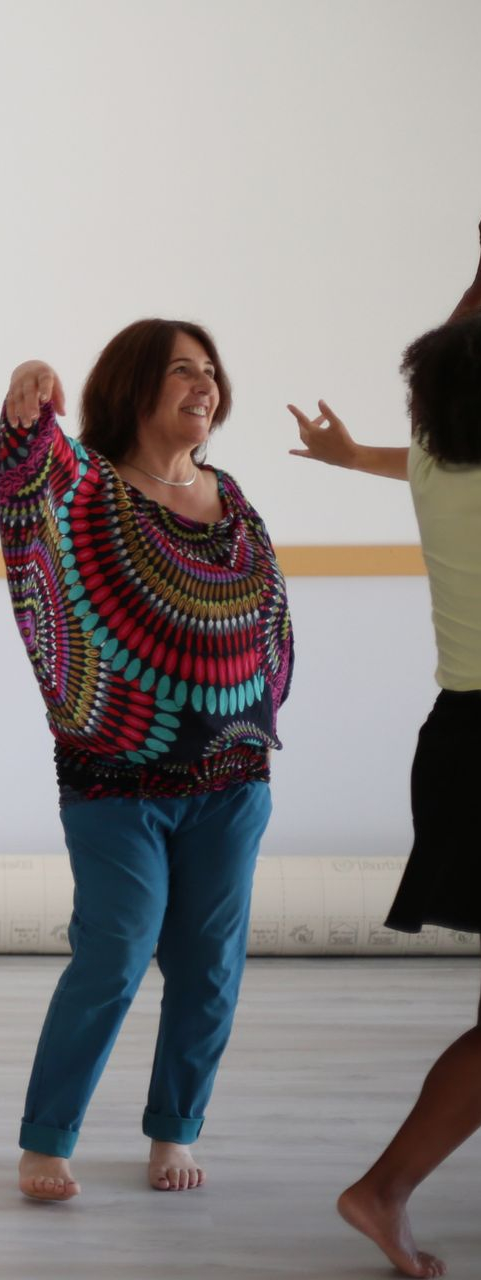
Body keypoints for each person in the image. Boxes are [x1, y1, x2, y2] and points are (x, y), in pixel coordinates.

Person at [0, 322, 293, 1202]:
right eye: (180, 373)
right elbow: (26, 467)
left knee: (209, 967)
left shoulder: (228, 492)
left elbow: (268, 613)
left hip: (232, 779)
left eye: (210, 374)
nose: (203, 387)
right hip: (115, 783)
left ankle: (174, 1130)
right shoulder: (84, 486)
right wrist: (26, 384)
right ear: (133, 388)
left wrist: (252, 715)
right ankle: (46, 1140)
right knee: (114, 952)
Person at [287, 220, 481, 1280]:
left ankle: (384, 1188)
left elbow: (454, 349)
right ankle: (382, 1186)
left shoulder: (430, 459)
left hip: (458, 738)